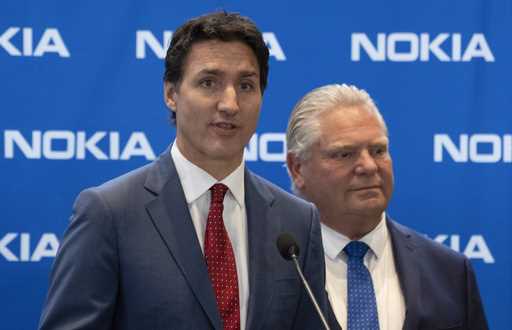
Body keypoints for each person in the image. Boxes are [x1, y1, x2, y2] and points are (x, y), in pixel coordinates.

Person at [39, 12, 332, 330]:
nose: (230, 104)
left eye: (246, 85)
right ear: (171, 93)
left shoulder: (298, 223)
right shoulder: (109, 213)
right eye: (209, 83)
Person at [286, 84, 488, 330]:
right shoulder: (266, 270)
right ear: (297, 168)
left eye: (378, 150)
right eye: (345, 154)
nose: (369, 166)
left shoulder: (450, 272)